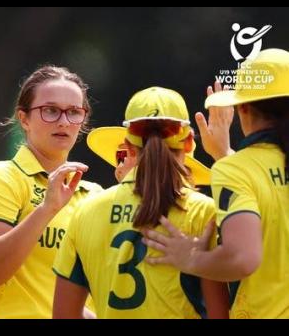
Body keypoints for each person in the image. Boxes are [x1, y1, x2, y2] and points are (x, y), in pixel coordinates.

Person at [53, 86, 229, 319]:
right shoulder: (203, 211)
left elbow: (64, 315)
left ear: (128, 145)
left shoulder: (85, 211)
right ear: (188, 142)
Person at [142, 48, 289, 318]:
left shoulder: (235, 170)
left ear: (242, 107)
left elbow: (242, 258)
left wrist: (192, 259)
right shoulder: (237, 166)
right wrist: (225, 154)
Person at [0, 65, 102, 319]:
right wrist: (47, 209)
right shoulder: (3, 177)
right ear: (24, 118)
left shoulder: (95, 195)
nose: (63, 121)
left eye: (74, 112)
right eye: (50, 111)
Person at [86, 126, 211, 185]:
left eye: (128, 152)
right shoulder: (99, 208)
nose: (120, 167)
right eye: (120, 155)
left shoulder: (201, 211)